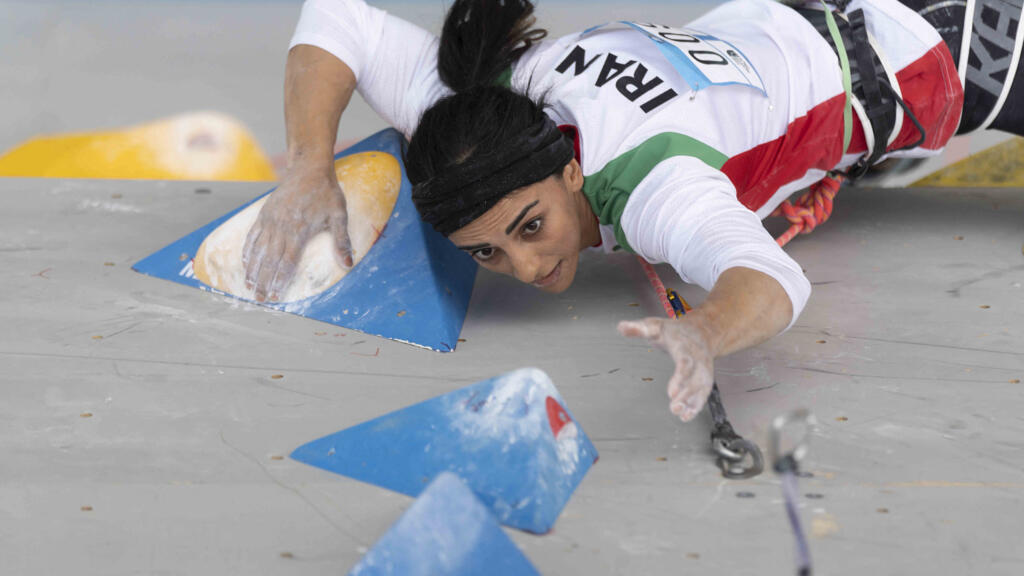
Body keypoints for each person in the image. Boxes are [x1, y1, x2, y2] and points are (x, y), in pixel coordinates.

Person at [241, 0, 1024, 422]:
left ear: (573, 169)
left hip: (937, 47)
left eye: (529, 228)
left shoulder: (656, 190)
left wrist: (706, 329)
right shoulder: (472, 112)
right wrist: (309, 168)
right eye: (486, 255)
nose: (529, 269)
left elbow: (775, 281)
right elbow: (336, 16)